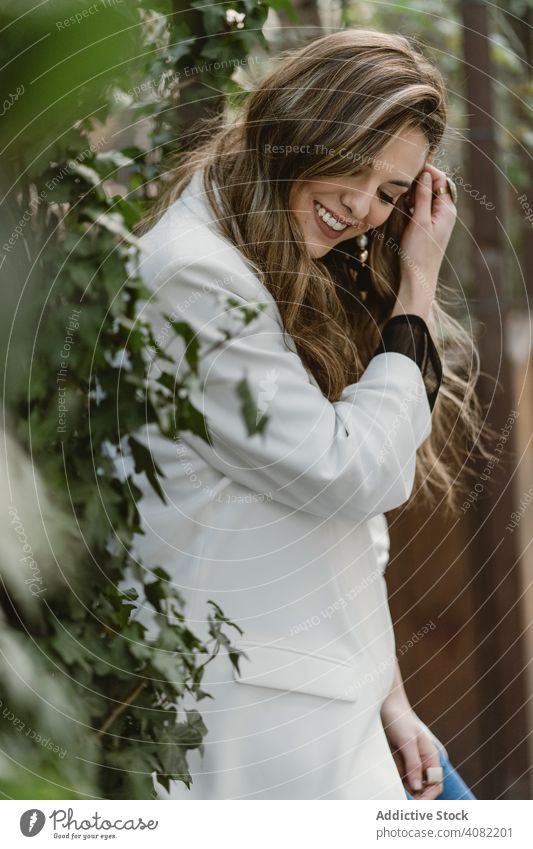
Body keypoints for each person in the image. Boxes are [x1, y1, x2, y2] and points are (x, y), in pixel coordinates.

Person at [122, 28, 484, 799]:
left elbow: (338, 526)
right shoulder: (194, 281)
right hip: (261, 731)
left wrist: (391, 697)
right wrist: (415, 289)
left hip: (346, 709)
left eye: (390, 193)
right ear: (298, 125)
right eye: (353, 164)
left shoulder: (257, 265)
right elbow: (347, 472)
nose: (361, 207)